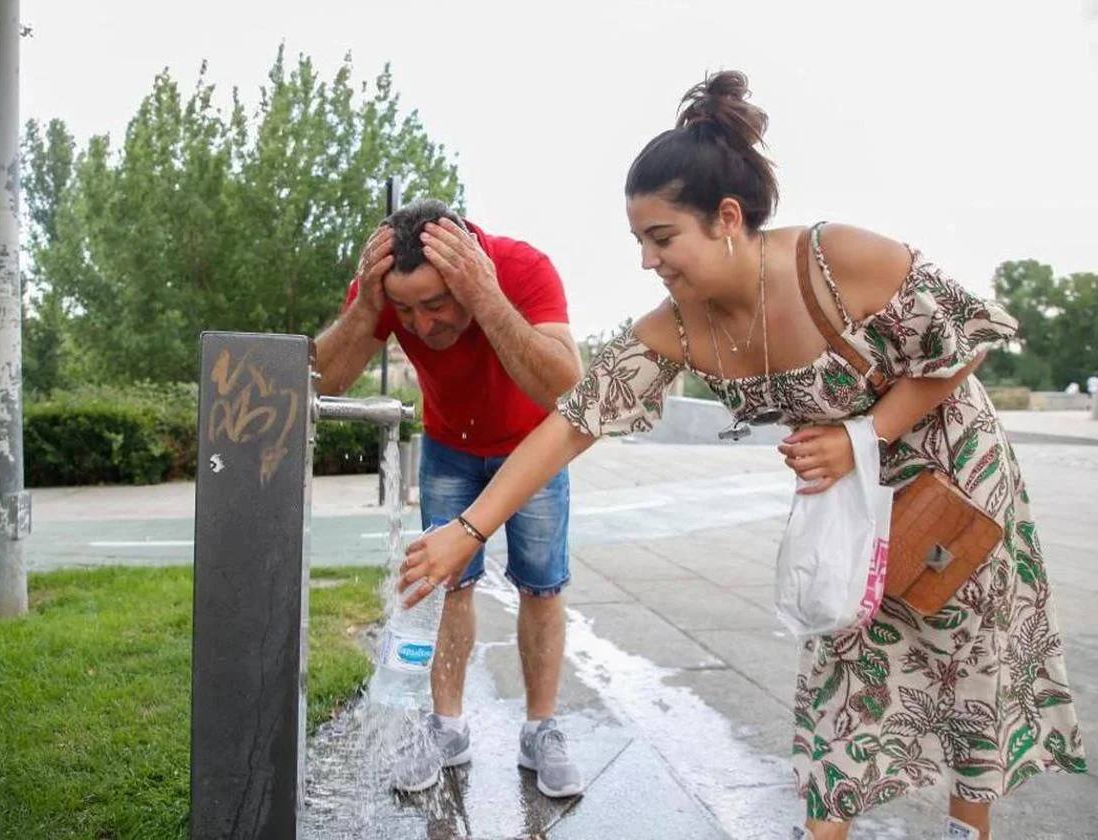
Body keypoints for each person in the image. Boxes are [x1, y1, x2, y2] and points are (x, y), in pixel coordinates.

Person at [399, 73, 1086, 839]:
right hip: (847, 502)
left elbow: (969, 338)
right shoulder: (677, 326)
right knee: (838, 683)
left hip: (951, 480)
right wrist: (470, 527)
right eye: (638, 242)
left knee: (966, 677)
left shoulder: (834, 260)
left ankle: (968, 828)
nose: (648, 262)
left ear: (727, 218)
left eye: (662, 239)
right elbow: (572, 422)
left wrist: (867, 435)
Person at [314, 198, 586, 798]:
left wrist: (486, 298)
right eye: (407, 311)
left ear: (471, 270)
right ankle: (447, 727)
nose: (423, 327)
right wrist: (366, 309)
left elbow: (568, 389)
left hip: (532, 448)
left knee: (541, 585)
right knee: (445, 586)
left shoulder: (521, 269)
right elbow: (321, 381)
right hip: (448, 448)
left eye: (437, 305)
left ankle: (541, 729)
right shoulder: (385, 290)